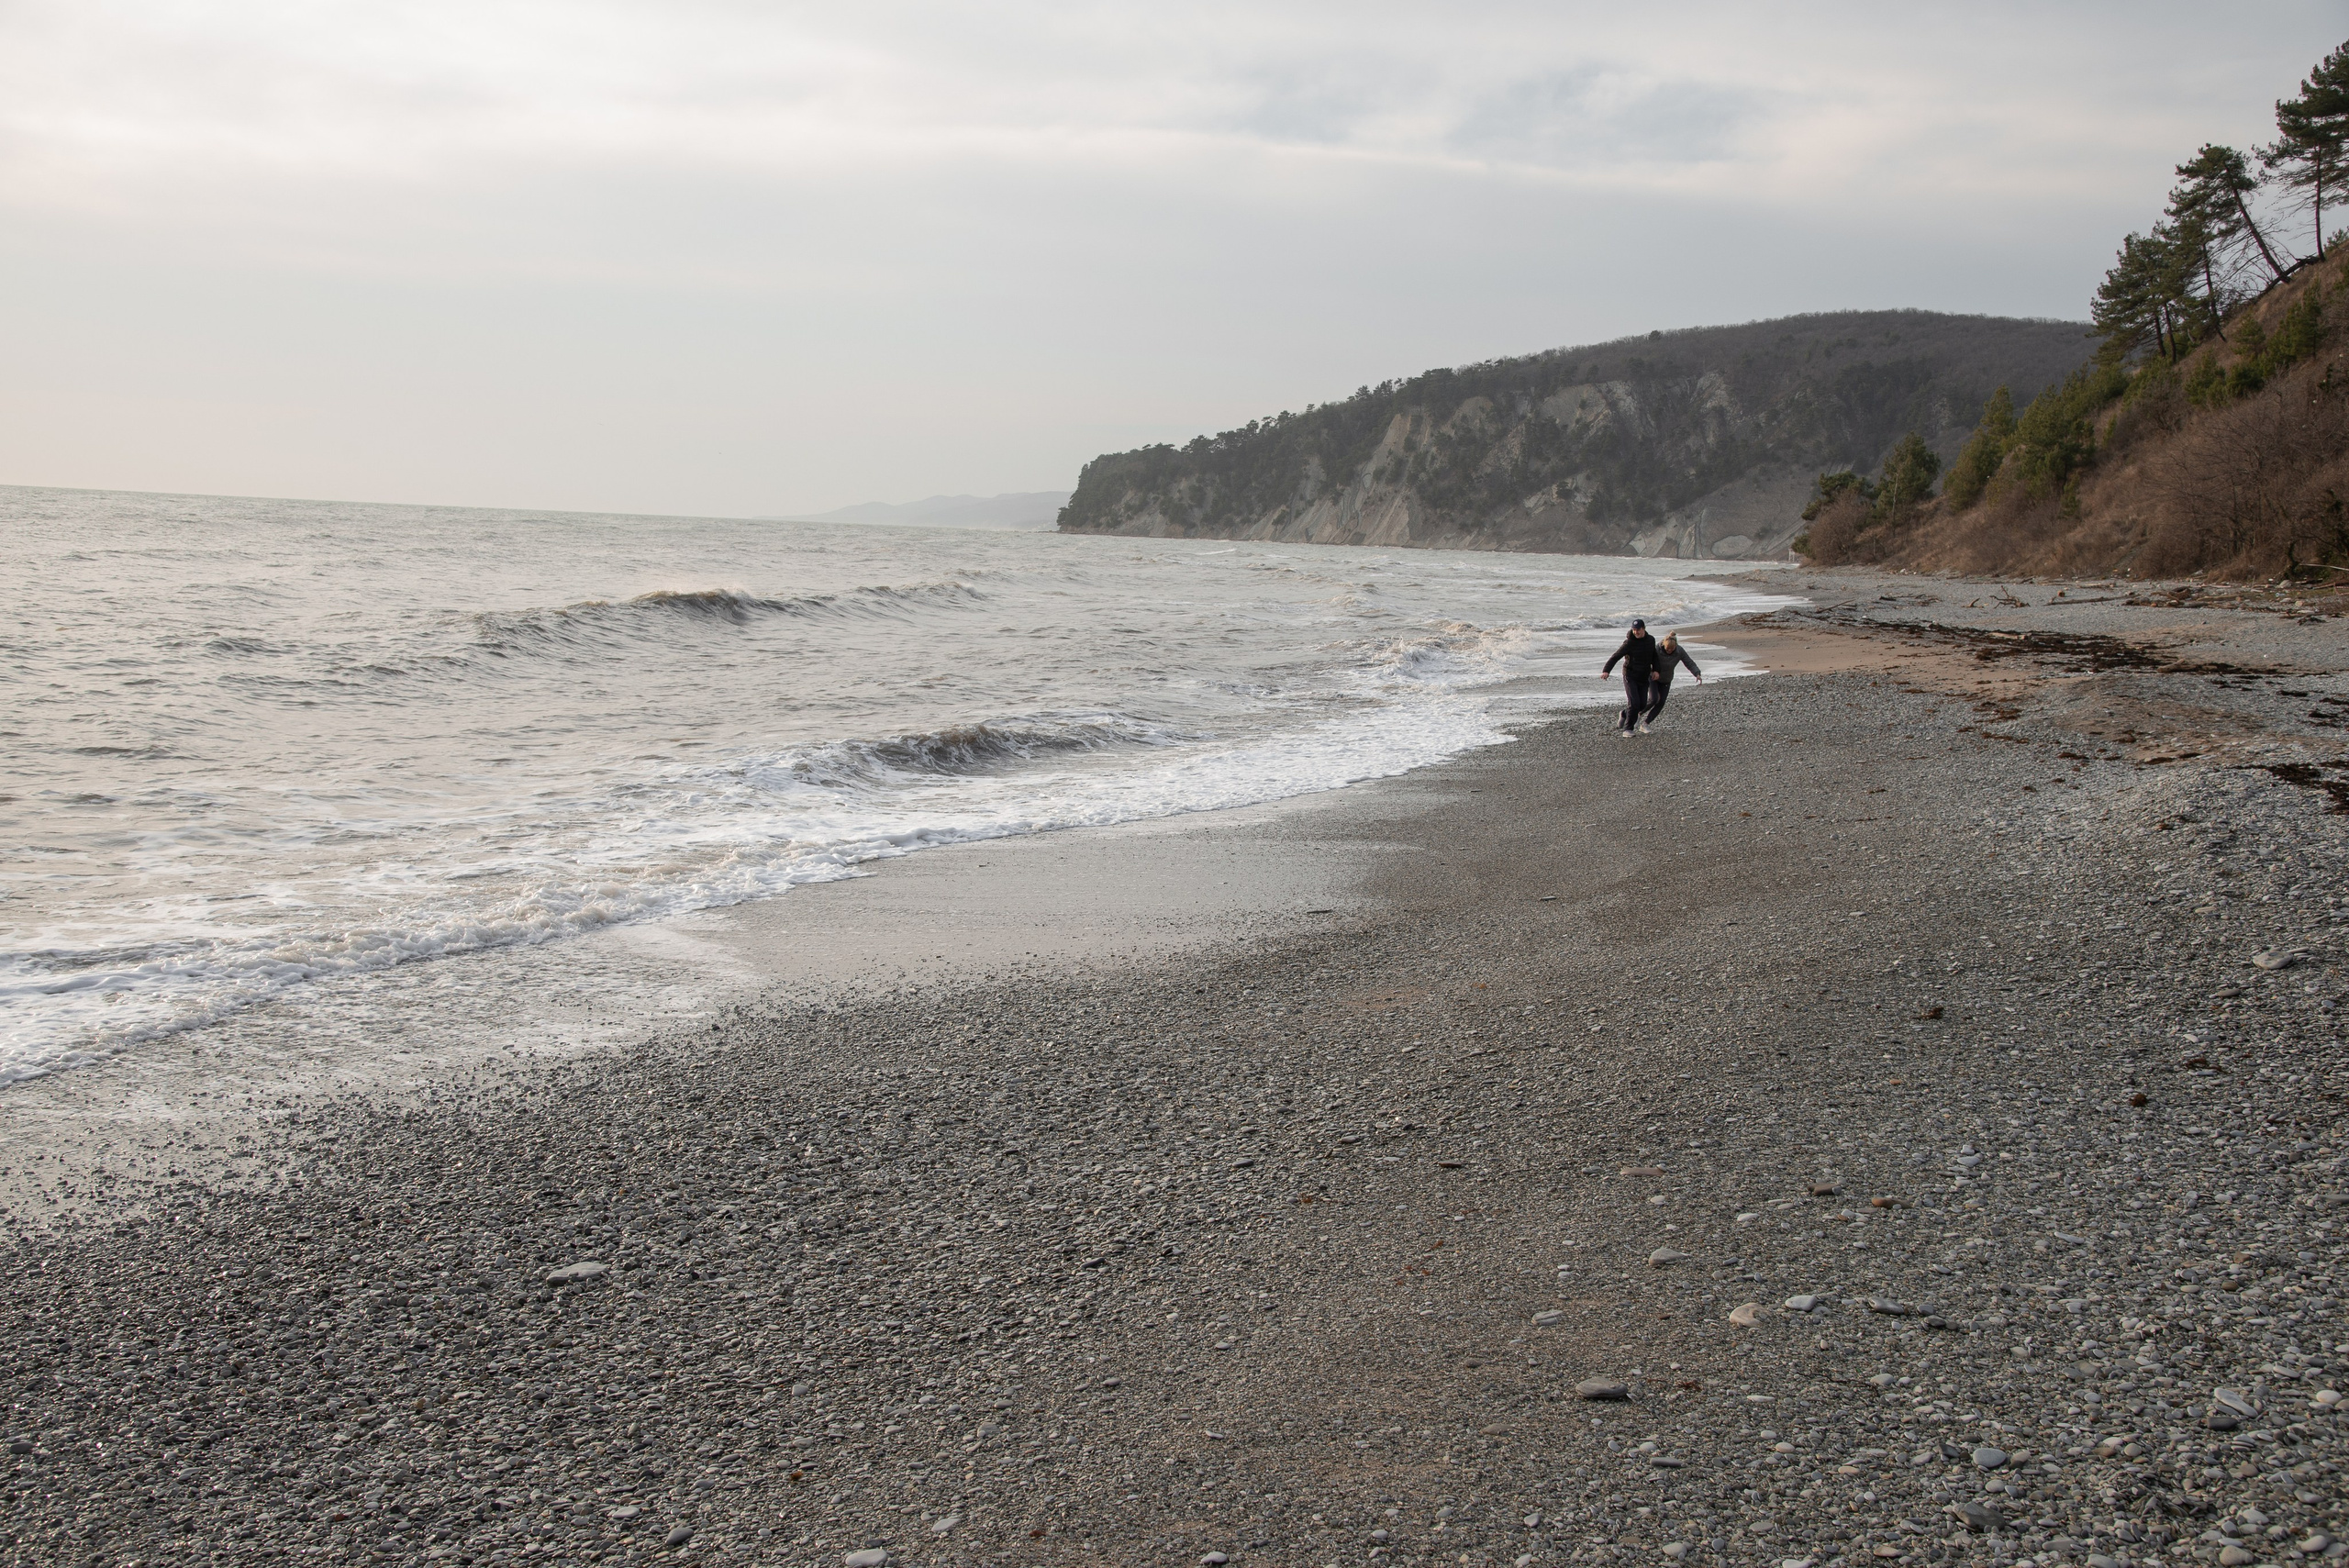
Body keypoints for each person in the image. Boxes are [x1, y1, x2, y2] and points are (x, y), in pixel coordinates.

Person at [1599, 618, 1662, 738]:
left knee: (1642, 705)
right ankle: (1628, 729)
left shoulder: (1650, 640)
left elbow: (1654, 656)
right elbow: (1615, 656)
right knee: (1634, 703)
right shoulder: (1629, 643)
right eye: (1634, 630)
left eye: (1638, 630)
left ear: (1644, 629)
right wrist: (1606, 671)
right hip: (1630, 675)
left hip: (1644, 676)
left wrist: (1656, 670)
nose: (1636, 632)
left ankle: (1624, 713)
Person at [1643, 633, 1703, 729]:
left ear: (1676, 646)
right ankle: (1637, 713)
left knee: (1661, 702)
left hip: (1666, 679)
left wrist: (1697, 673)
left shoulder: (1679, 651)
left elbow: (1689, 662)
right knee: (1654, 699)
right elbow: (1645, 661)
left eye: (1672, 649)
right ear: (1664, 645)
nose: (1670, 651)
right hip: (1653, 677)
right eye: (1667, 649)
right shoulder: (1656, 649)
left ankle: (1646, 723)